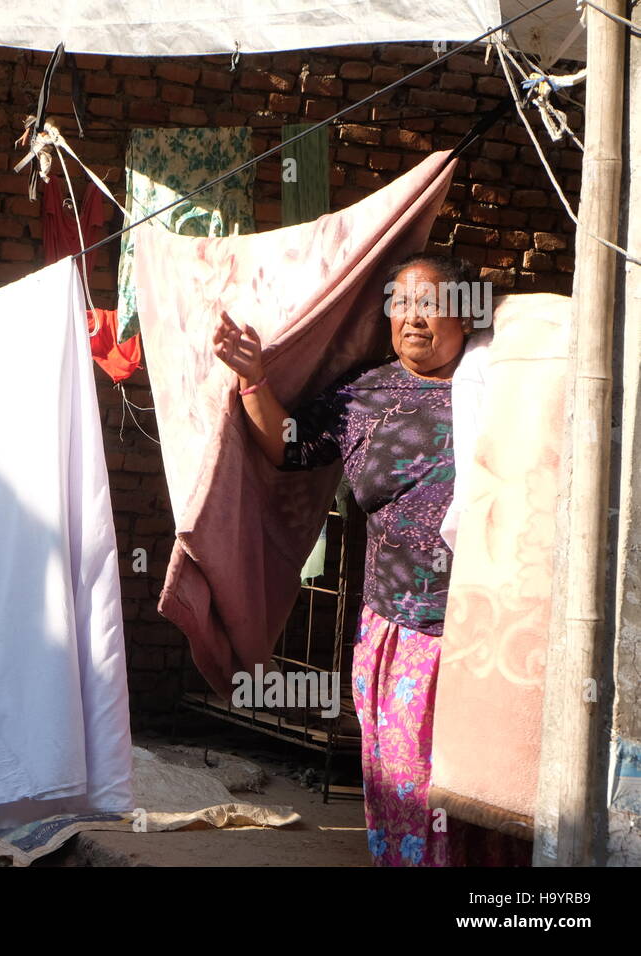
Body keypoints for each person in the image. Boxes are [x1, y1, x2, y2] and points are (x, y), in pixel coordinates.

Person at [212, 253, 524, 867]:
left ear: (466, 315)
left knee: (490, 797)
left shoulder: (502, 387)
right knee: (409, 790)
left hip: (492, 632)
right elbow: (290, 446)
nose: (414, 319)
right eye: (401, 305)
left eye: (431, 304)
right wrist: (253, 380)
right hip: (402, 632)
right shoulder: (368, 394)